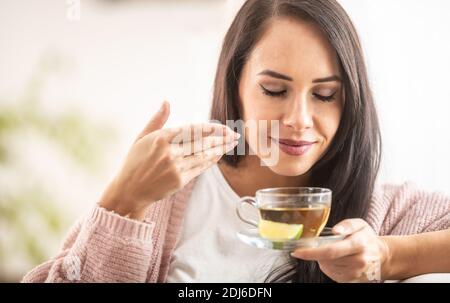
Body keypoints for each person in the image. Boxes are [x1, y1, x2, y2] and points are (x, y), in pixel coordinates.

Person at [23, 0, 450, 283]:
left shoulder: (379, 208)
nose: (299, 120)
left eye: (324, 95)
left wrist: (387, 256)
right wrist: (123, 200)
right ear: (235, 86)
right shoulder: (167, 197)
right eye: (274, 90)